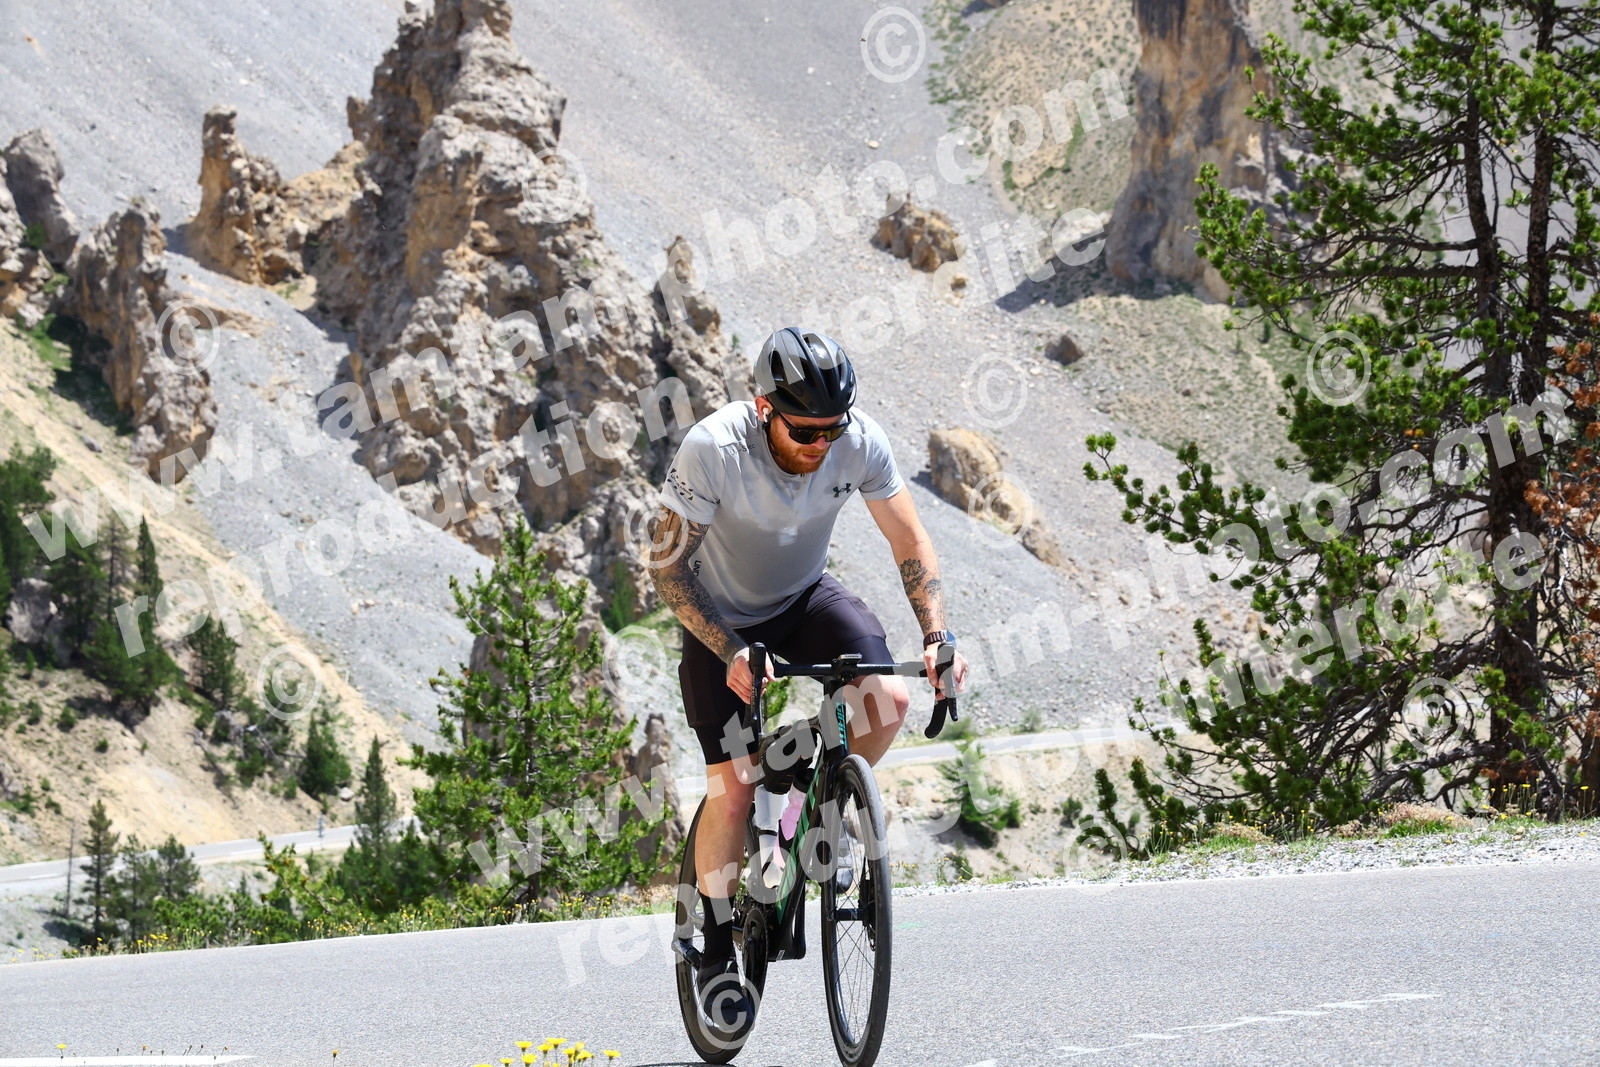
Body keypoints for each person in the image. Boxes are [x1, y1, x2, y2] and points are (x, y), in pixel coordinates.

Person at [649, 325, 969, 1031]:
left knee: (887, 698)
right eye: (804, 432)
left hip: (803, 598)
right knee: (732, 788)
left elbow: (910, 539)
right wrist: (731, 648)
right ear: (765, 409)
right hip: (718, 617)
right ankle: (713, 941)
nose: (821, 444)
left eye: (833, 429)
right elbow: (665, 567)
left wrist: (937, 635)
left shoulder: (860, 441)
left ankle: (812, 801)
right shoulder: (713, 447)